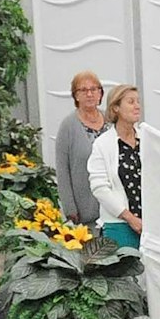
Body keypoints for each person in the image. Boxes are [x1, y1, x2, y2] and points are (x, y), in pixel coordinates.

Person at [88, 84, 146, 247]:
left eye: (138, 101)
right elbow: (100, 188)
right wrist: (129, 217)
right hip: (119, 224)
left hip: (150, 225)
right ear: (115, 108)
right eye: (131, 102)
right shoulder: (102, 144)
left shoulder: (146, 139)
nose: (137, 106)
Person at [54, 70, 109, 225]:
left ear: (100, 94)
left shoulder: (112, 120)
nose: (89, 94)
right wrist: (69, 208)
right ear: (76, 96)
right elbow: (62, 170)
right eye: (83, 90)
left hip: (113, 207)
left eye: (94, 89)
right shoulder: (68, 126)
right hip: (84, 209)